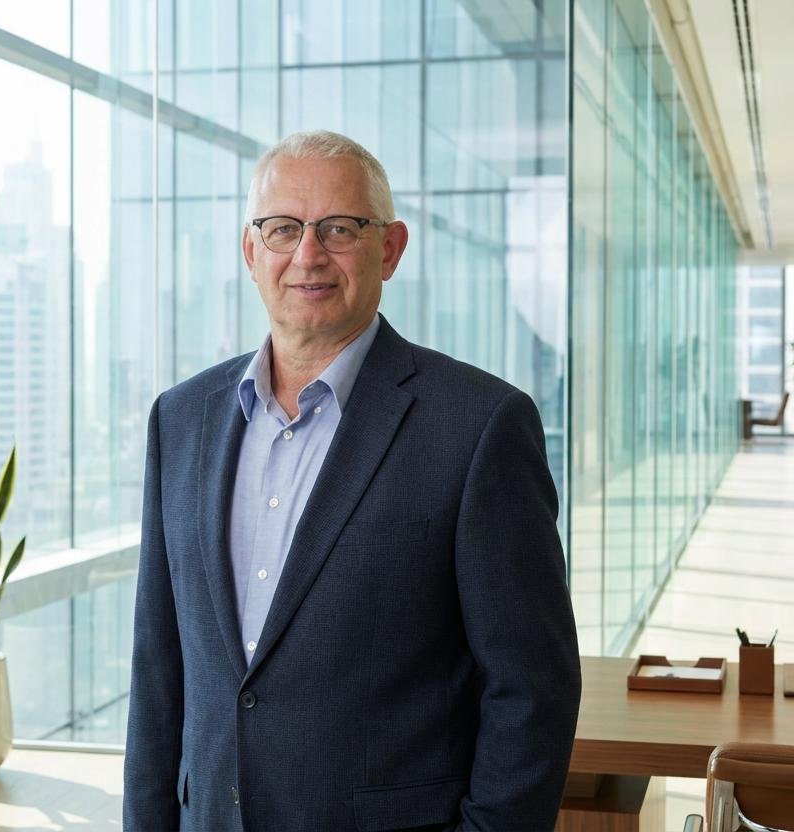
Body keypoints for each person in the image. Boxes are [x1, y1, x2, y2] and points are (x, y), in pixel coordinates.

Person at [123, 130, 581, 832]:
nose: (308, 254)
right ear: (252, 252)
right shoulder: (180, 420)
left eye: (339, 228)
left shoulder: (480, 427)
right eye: (283, 229)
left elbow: (531, 690)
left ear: (390, 248)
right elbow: (160, 676)